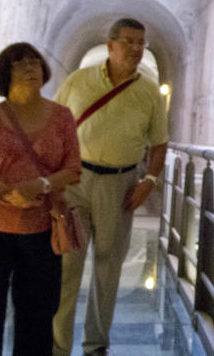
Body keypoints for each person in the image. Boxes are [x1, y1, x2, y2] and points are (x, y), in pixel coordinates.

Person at [0, 43, 81, 355]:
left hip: (40, 229)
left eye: (35, 62)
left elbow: (72, 169)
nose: (30, 68)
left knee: (38, 314)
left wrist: (41, 183)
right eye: (20, 63)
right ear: (5, 72)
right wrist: (4, 191)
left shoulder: (62, 117)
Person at [52, 18, 168, 356]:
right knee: (66, 264)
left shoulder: (148, 92)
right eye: (129, 41)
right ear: (110, 44)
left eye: (141, 43)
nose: (136, 48)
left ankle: (96, 344)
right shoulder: (79, 81)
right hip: (75, 181)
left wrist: (150, 181)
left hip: (121, 184)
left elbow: (159, 143)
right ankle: (58, 346)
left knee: (108, 266)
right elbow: (57, 125)